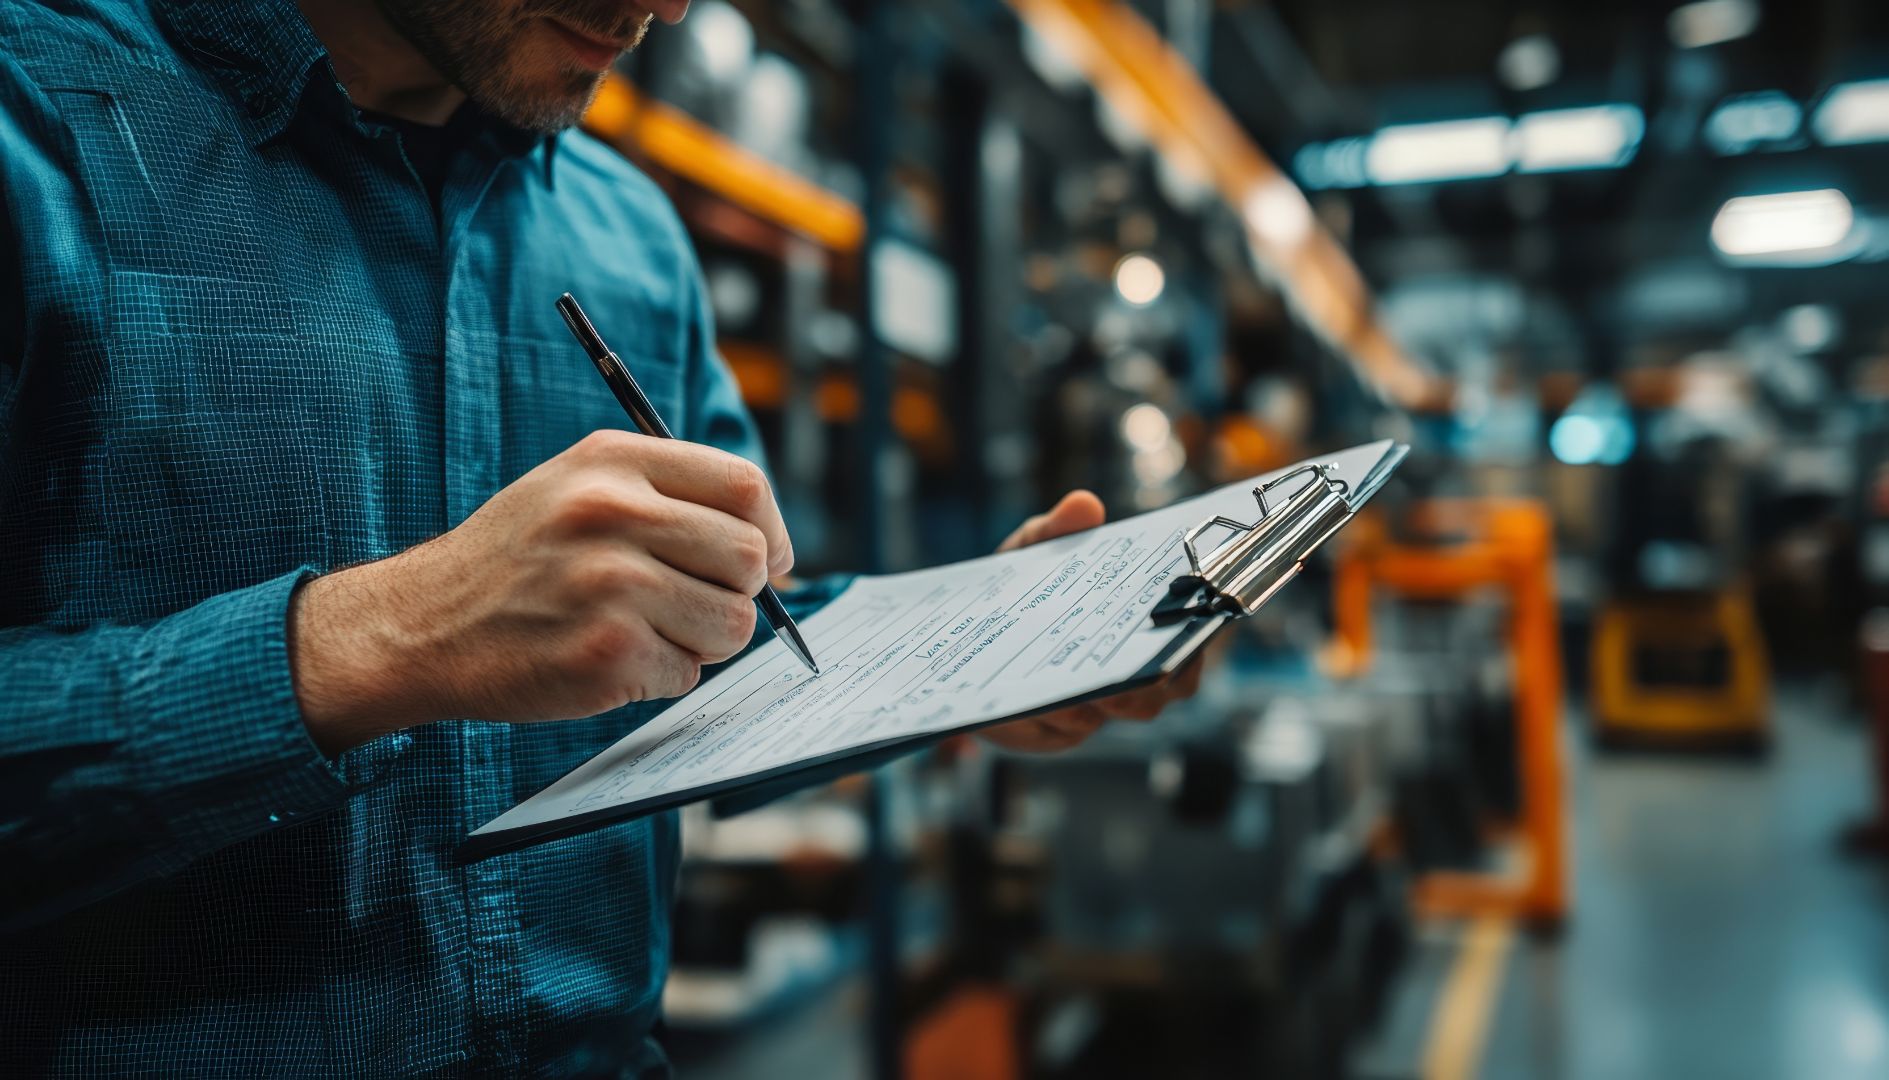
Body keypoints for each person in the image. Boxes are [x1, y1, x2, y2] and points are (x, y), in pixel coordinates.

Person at [0, 0, 1200, 1073]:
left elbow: (733, 639)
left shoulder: (627, 238)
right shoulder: (37, 132)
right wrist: (385, 638)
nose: (667, 7)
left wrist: (975, 653)